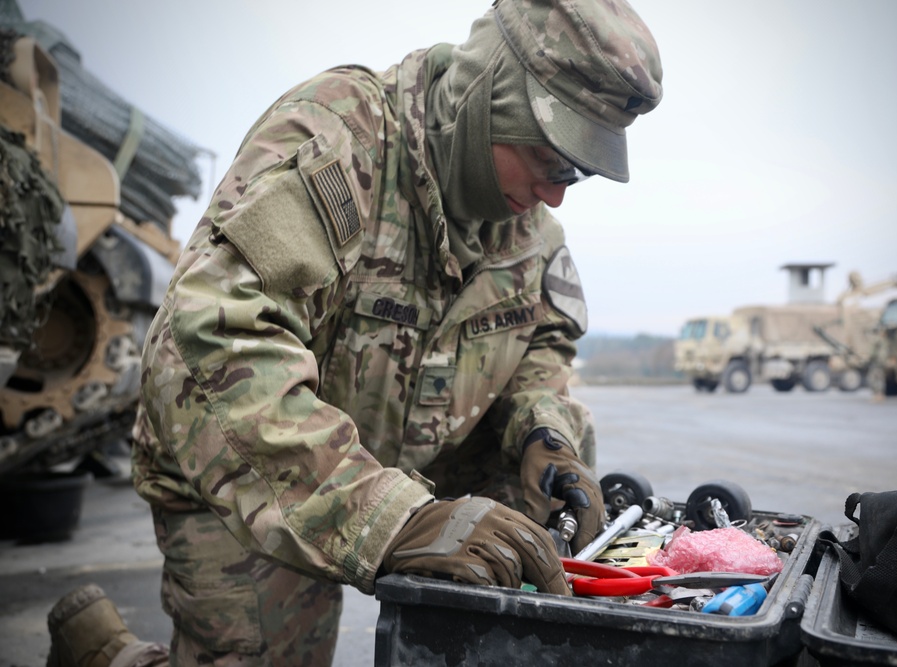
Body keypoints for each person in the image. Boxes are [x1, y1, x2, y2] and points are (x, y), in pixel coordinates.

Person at [46, 0, 662, 664]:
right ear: (491, 97)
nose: (555, 195)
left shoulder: (527, 230)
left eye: (574, 173)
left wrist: (546, 436)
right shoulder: (339, 143)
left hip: (402, 466)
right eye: (550, 160)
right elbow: (208, 351)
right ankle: (103, 653)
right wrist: (390, 519)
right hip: (243, 468)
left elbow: (539, 348)